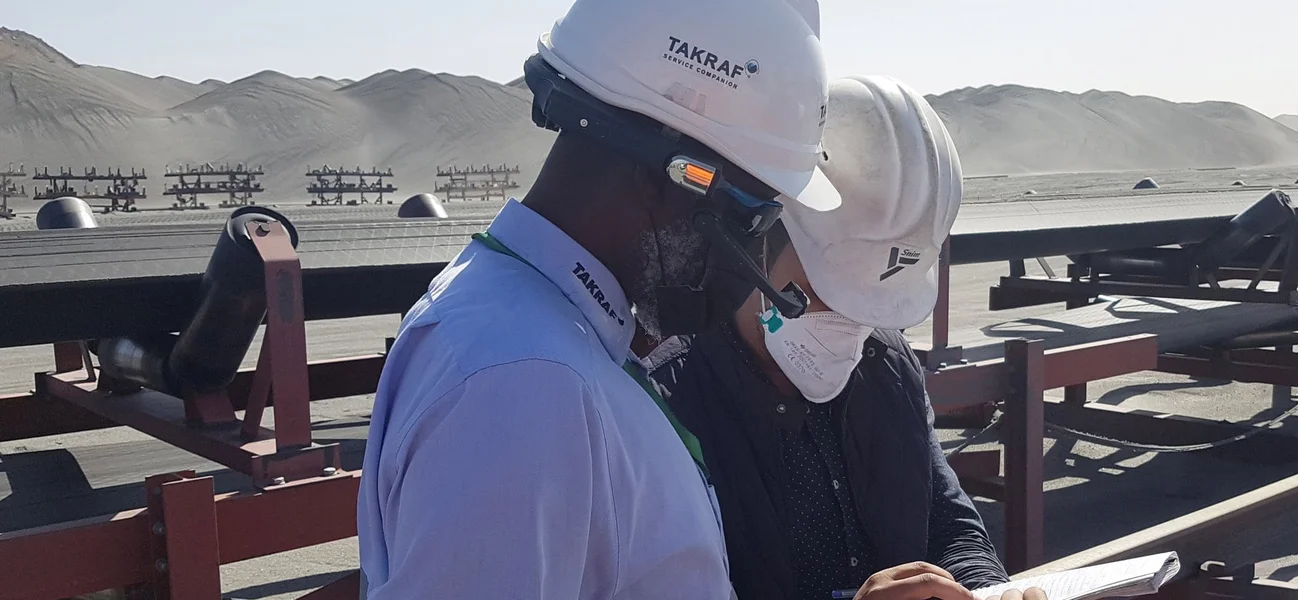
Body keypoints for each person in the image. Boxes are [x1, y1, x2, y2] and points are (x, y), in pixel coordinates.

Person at [355, 0, 840, 597]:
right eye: (754, 217)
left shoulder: (547, 335)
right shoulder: (522, 382)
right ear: (671, 176)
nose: (756, 257)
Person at [645, 76, 1046, 600]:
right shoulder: (665, 403)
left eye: (873, 306)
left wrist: (985, 590)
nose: (852, 326)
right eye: (827, 293)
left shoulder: (889, 364)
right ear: (751, 244)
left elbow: (946, 523)